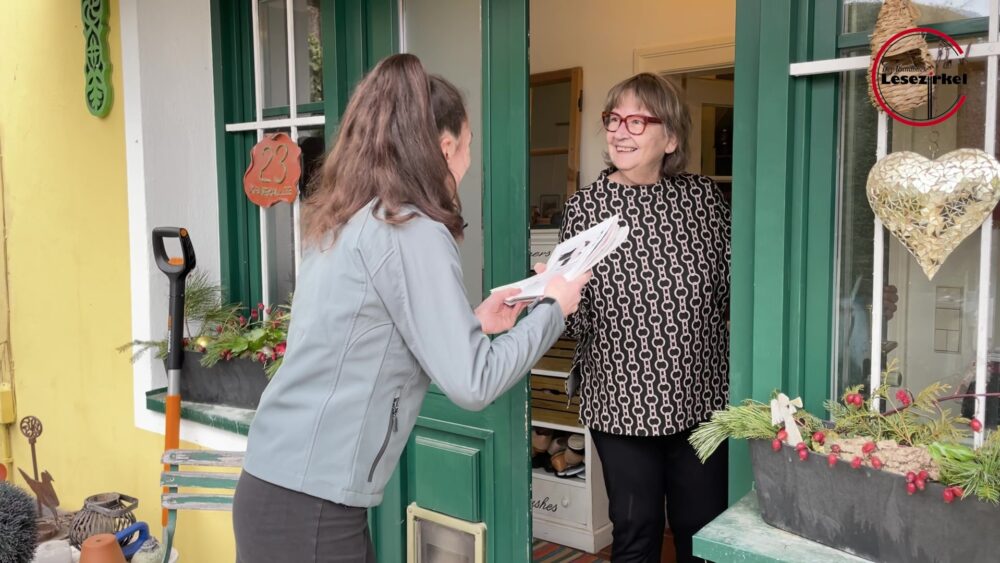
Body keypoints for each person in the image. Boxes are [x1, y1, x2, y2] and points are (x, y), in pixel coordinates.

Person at [231, 54, 591, 563]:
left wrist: (470, 322)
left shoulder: (348, 214)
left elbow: (365, 332)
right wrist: (554, 307)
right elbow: (473, 382)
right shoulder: (412, 228)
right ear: (445, 148)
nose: (467, 164)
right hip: (312, 504)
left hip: (281, 488)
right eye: (467, 148)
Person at [558, 73, 731, 563]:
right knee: (636, 532)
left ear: (670, 137)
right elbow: (575, 317)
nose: (619, 131)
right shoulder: (586, 208)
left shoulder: (703, 202)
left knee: (703, 530)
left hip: (700, 398)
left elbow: (731, 289)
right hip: (621, 402)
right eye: (613, 120)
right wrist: (553, 297)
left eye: (637, 120)